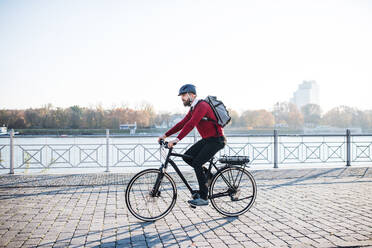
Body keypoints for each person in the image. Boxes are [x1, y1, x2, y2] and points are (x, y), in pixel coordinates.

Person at [158, 84, 226, 207]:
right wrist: (165, 135)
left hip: (216, 140)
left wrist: (177, 139)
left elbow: (191, 125)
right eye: (181, 96)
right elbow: (183, 123)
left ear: (192, 95)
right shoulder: (194, 108)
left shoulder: (202, 106)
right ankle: (208, 177)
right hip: (207, 140)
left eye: (184, 95)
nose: (182, 98)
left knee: (197, 163)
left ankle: (204, 197)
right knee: (187, 156)